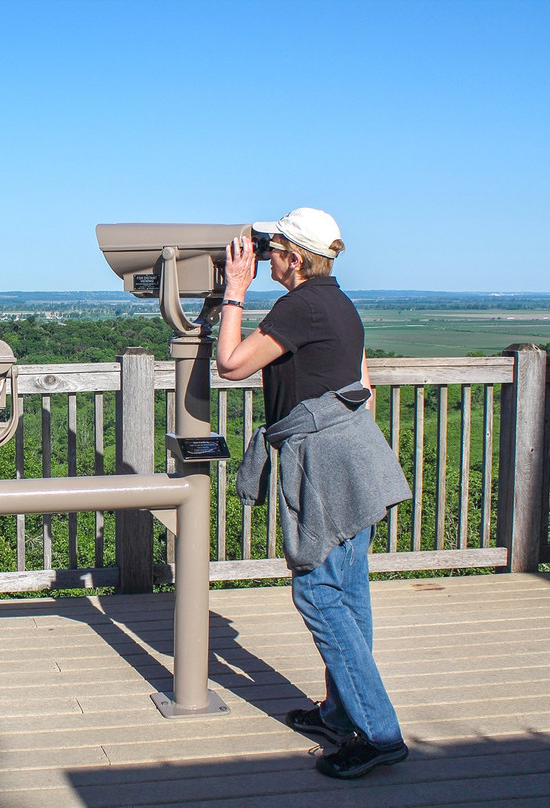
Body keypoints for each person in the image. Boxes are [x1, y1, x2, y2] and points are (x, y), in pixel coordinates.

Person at [216, 207, 412, 780]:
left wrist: (234, 290)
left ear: (294, 258)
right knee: (348, 591)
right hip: (355, 453)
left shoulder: (298, 305)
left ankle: (378, 734)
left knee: (317, 594)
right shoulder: (340, 303)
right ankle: (340, 712)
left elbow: (230, 364)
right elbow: (364, 387)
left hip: (323, 463)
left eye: (273, 249)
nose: (267, 256)